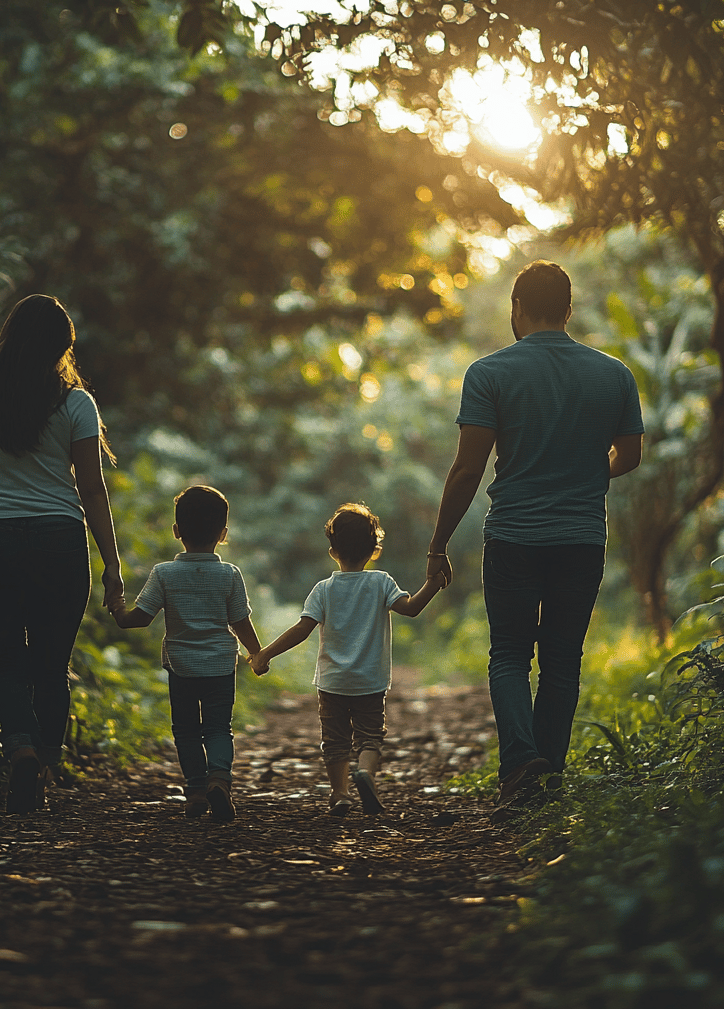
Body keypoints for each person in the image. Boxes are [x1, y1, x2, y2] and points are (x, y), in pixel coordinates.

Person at [425, 260, 644, 822]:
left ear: (517, 308)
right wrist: (587, 473)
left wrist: (438, 544)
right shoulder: (614, 374)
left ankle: (520, 764)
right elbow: (630, 456)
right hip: (581, 538)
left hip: (514, 537)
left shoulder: (490, 372)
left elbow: (467, 470)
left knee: (508, 655)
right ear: (569, 310)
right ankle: (549, 776)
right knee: (563, 662)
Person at [0, 294, 124, 814]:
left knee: (4, 659)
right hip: (58, 542)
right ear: (60, 347)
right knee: (51, 664)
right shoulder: (76, 405)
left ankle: (19, 748)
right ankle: (45, 761)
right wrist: (112, 563)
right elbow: (91, 489)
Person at [251, 503, 446, 817]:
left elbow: (301, 630)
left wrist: (264, 654)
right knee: (370, 736)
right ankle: (366, 773)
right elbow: (411, 608)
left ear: (332, 551)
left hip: (333, 683)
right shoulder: (382, 582)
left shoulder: (323, 590)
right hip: (370, 681)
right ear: (374, 549)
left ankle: (340, 793)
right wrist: (433, 585)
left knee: (335, 739)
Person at [113, 485, 261, 822]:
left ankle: (195, 792)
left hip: (181, 668)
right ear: (223, 534)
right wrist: (257, 654)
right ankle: (220, 780)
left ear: (176, 531)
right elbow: (240, 620)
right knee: (219, 728)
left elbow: (141, 618)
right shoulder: (229, 574)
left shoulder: (164, 573)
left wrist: (120, 613)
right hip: (221, 667)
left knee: (186, 731)